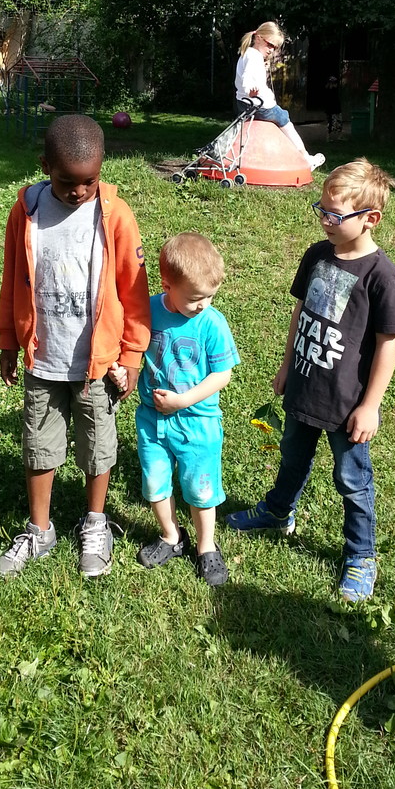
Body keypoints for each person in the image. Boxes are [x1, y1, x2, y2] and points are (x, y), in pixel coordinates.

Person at [226, 158, 395, 603]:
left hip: (346, 403)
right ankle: (278, 510)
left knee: (352, 479)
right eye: (321, 210)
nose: (325, 220)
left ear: (370, 220)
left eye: (335, 215)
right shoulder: (317, 255)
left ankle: (361, 556)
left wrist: (370, 406)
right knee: (291, 456)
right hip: (305, 383)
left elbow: (388, 345)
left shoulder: (381, 276)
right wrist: (287, 364)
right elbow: (301, 312)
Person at [0, 114, 151, 578]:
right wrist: (8, 338)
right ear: (45, 166)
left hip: (97, 366)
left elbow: (134, 292)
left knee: (98, 448)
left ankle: (96, 522)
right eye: (67, 181)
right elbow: (11, 280)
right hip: (43, 358)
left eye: (90, 180)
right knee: (38, 446)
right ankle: (40, 529)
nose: (79, 191)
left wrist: (132, 355)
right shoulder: (26, 212)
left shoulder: (116, 217)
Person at [126, 233, 239, 587]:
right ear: (167, 285)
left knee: (200, 488)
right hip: (152, 420)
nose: (204, 303)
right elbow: (132, 348)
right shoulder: (149, 310)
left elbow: (223, 374)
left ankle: (207, 546)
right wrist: (121, 367)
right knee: (155, 482)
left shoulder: (212, 323)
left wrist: (183, 400)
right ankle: (171, 537)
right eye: (194, 297)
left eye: (209, 296)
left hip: (197, 423)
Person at [234, 22, 325, 171]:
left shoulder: (247, 53)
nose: (271, 50)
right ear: (258, 38)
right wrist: (250, 90)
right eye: (269, 45)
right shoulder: (254, 56)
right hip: (261, 106)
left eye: (275, 47)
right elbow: (247, 78)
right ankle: (306, 157)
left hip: (243, 105)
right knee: (285, 121)